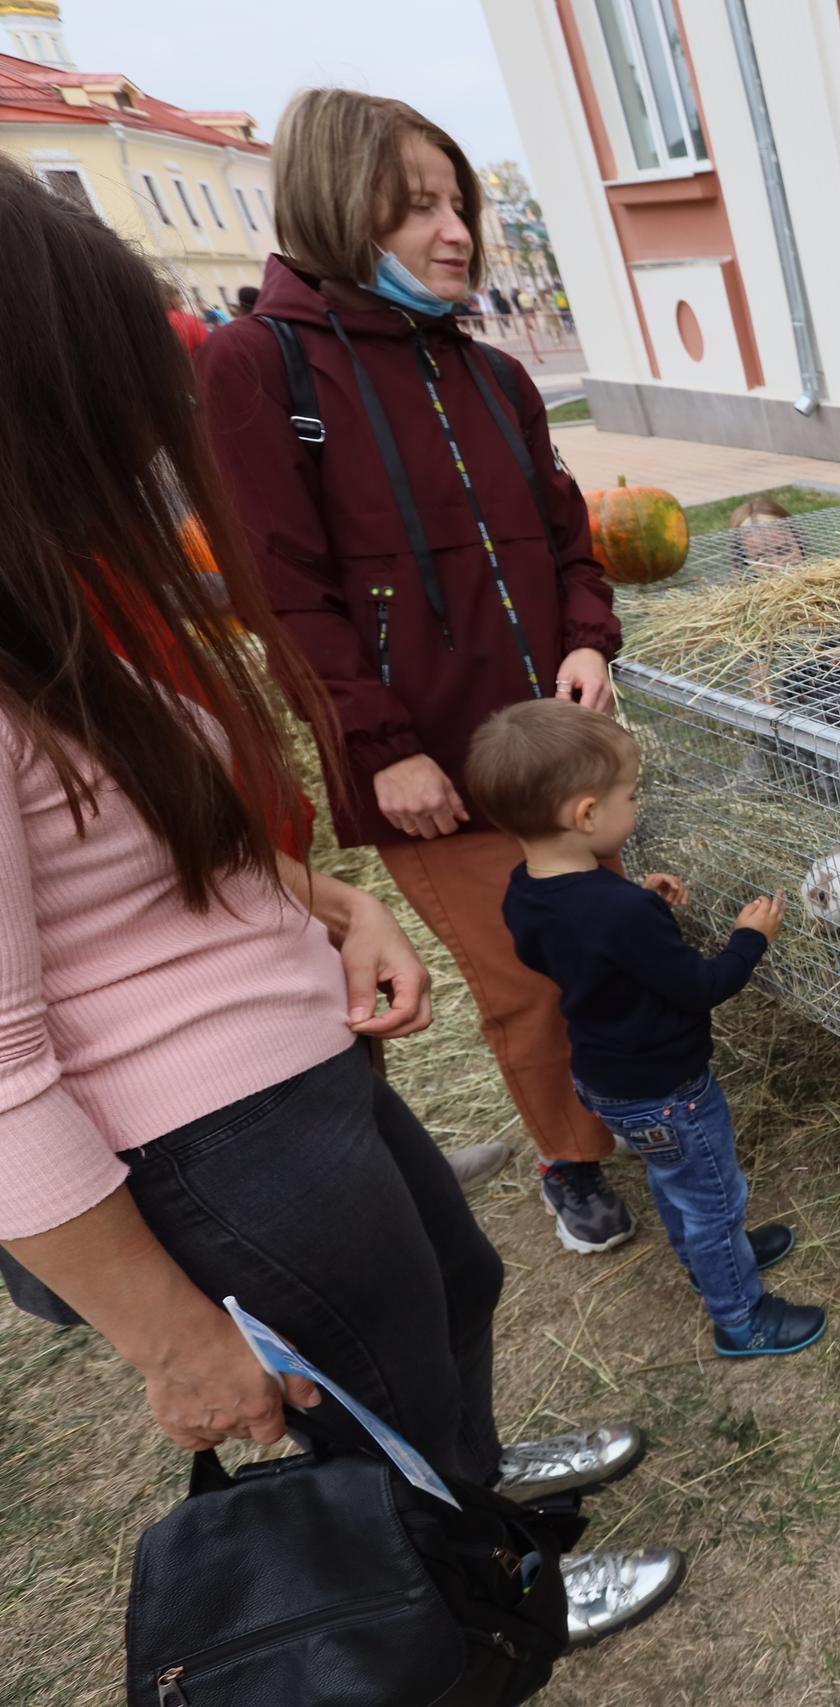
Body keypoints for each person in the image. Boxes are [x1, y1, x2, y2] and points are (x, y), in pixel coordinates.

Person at [0, 155, 679, 1648]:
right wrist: (171, 1335)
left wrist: (331, 905)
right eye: (111, 391)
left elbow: (158, 841)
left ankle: (481, 1497)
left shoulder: (55, 597)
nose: (148, 436)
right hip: (207, 1128)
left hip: (292, 1056)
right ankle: (492, 1605)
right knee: (383, 1405)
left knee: (454, 1284)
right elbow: (2, 1067)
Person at [196, 89, 643, 1254]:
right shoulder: (262, 368)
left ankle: (638, 1110)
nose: (455, 232)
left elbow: (564, 538)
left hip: (556, 741)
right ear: (344, 210)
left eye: (460, 204)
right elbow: (284, 595)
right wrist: (383, 748)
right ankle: (571, 1158)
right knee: (525, 982)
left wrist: (588, 633)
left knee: (604, 953)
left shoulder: (492, 376)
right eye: (417, 207)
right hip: (433, 766)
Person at [468, 702, 826, 1356]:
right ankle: (741, 1317)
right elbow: (701, 986)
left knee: (674, 1182)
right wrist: (750, 938)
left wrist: (639, 903)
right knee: (715, 1198)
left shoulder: (524, 889)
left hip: (606, 1081)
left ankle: (709, 1261)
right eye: (629, 796)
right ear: (585, 815)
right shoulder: (620, 911)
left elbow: (564, 945)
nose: (636, 806)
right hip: (671, 1089)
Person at [162, 280, 208, 354]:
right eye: (179, 297)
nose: (183, 302)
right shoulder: (187, 320)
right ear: (170, 299)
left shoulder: (152, 323)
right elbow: (207, 345)